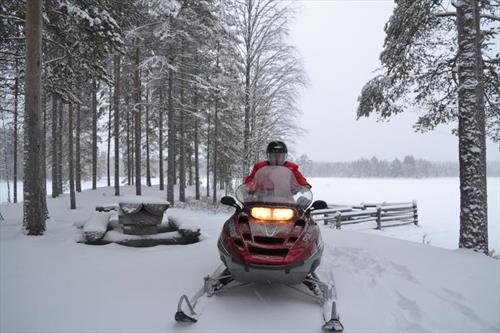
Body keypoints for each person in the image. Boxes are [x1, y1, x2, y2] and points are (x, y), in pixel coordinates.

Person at [244, 141, 311, 189]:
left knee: (298, 209)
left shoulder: (291, 167)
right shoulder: (260, 166)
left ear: (285, 156)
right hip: (262, 198)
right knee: (247, 208)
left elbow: (299, 178)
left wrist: (304, 185)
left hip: (286, 198)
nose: (277, 159)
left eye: (280, 156)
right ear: (268, 156)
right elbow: (251, 178)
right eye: (274, 156)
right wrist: (250, 184)